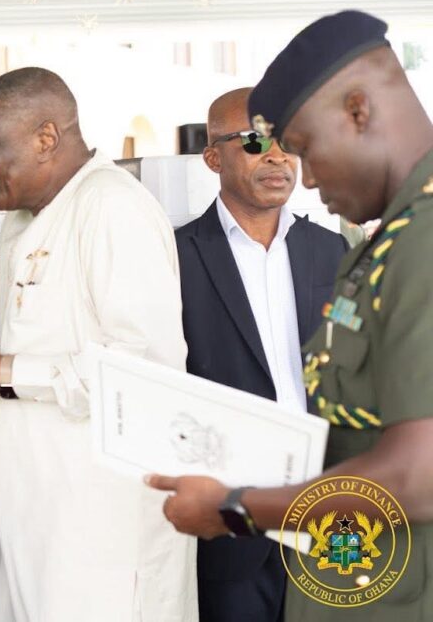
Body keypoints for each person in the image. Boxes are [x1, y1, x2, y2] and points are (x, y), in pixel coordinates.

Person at [148, 10, 433, 621]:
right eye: (267, 145)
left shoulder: (413, 241)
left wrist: (235, 508)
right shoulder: (391, 239)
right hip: (336, 547)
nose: (304, 173)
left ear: (358, 111)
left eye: (302, 147)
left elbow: (420, 472)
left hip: (377, 560)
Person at [0, 67, 197, 621]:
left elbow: (144, 371)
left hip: (102, 520)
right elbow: (14, 328)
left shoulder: (113, 207)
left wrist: (2, 371)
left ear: (46, 138)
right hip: (33, 502)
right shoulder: (24, 216)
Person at [176, 87, 348, 622]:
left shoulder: (331, 249)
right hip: (230, 509)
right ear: (213, 158)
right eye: (254, 141)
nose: (276, 157)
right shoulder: (175, 255)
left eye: (286, 141)